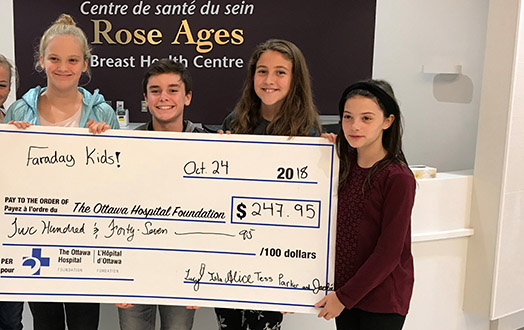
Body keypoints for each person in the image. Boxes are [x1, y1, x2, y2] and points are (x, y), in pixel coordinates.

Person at [0, 13, 118, 330]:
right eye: (55, 58)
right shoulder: (21, 111)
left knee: (84, 322)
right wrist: (11, 142)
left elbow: (120, 180)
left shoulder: (103, 113)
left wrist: (109, 143)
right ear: (41, 61)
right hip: (36, 236)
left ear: (85, 65)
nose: (63, 67)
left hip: (87, 237)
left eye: (72, 60)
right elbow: (6, 180)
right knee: (45, 321)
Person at [215, 39, 322, 330]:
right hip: (231, 252)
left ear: (295, 78)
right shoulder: (236, 122)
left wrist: (293, 282)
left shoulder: (307, 133)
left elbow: (308, 210)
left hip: (274, 259)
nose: (269, 80)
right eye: (262, 71)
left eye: (280, 72)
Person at [314, 80, 415, 330]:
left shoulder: (397, 178)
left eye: (366, 118)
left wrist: (343, 297)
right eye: (347, 117)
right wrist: (322, 149)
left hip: (381, 299)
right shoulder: (342, 164)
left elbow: (389, 252)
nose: (354, 126)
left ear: (387, 121)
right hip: (346, 292)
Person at [115, 58, 201, 330]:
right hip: (132, 267)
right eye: (155, 90)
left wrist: (205, 276)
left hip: (184, 270)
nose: (164, 97)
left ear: (187, 97)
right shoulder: (124, 147)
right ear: (146, 98)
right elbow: (110, 207)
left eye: (173, 90)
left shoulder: (209, 147)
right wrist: (112, 277)